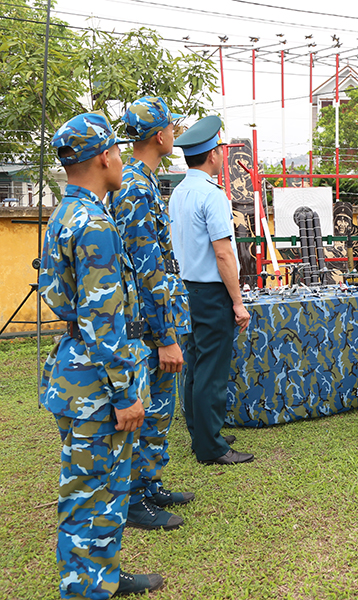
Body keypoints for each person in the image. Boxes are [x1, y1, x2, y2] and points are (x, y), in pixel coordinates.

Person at [39, 112, 163, 597]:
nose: (119, 157)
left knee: (95, 489)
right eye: (115, 150)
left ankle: (98, 577)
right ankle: (87, 588)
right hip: (96, 382)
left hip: (75, 372)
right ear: (104, 157)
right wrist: (125, 394)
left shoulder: (66, 213)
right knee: (94, 492)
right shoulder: (93, 224)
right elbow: (102, 319)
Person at [108, 97, 193, 531]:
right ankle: (135, 497)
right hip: (147, 326)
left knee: (160, 409)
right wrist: (165, 337)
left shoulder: (142, 181)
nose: (174, 134)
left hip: (155, 319)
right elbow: (147, 269)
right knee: (149, 410)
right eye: (172, 128)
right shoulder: (135, 188)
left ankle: (150, 483)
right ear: (160, 136)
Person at [170, 115, 254, 465]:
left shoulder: (178, 192)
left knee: (195, 364)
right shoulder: (212, 195)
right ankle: (211, 446)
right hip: (211, 291)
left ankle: (202, 432)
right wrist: (238, 302)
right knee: (212, 370)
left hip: (187, 289)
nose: (221, 154)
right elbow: (223, 253)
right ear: (212, 155)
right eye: (219, 149)